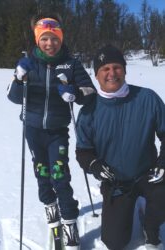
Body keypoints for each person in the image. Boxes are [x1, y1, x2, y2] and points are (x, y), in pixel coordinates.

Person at [7, 13, 96, 248]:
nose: (50, 43)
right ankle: (51, 212)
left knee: (59, 176)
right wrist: (18, 78)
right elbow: (13, 97)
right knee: (42, 173)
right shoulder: (27, 62)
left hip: (57, 131)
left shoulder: (71, 63)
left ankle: (69, 222)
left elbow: (90, 92)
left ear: (61, 38)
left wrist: (73, 93)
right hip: (33, 130)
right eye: (45, 38)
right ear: (37, 39)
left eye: (54, 38)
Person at [75, 44, 165, 250]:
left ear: (124, 70)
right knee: (114, 242)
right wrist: (94, 164)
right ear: (96, 75)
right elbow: (83, 151)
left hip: (148, 174)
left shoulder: (147, 98)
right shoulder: (89, 110)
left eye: (116, 67)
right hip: (116, 182)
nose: (111, 73)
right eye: (105, 69)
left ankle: (151, 232)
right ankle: (130, 206)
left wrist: (163, 162)